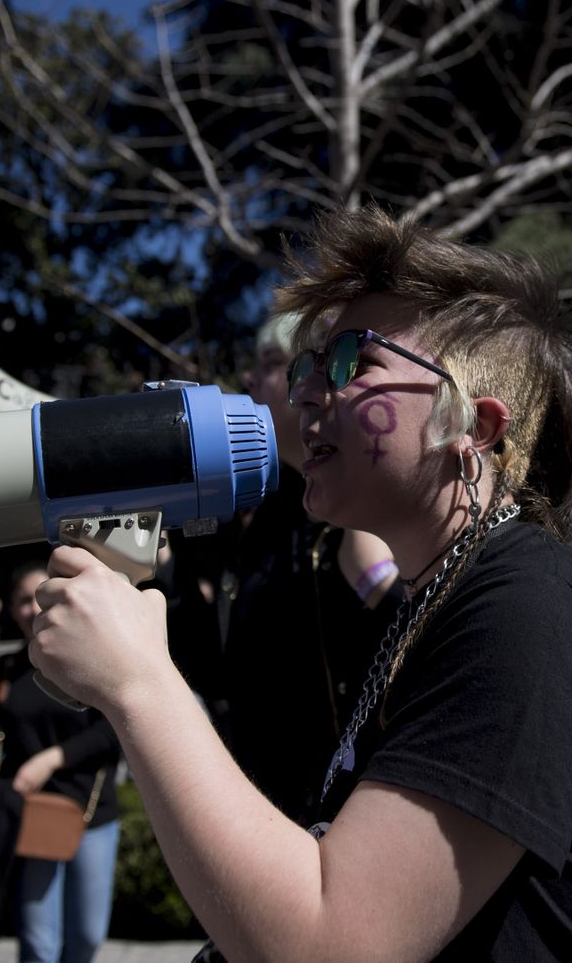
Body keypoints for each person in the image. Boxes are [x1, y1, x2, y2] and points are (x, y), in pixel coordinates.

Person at [26, 206, 572, 960]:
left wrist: (137, 683)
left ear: (477, 427)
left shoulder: (535, 616)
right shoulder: (440, 604)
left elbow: (333, 944)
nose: (306, 393)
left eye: (351, 363)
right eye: (307, 367)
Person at [205, 309, 401, 823]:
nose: (248, 380)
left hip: (345, 823)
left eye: (273, 362)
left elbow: (433, 655)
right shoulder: (265, 512)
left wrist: (376, 581)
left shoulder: (370, 509)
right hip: (263, 809)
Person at [0, 561, 123, 963]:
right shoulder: (7, 669)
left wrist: (51, 759)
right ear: (12, 611)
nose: (31, 608)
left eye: (38, 597)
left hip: (92, 811)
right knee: (37, 940)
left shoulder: (92, 658)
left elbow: (112, 732)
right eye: (21, 602)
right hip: (33, 812)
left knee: (85, 936)